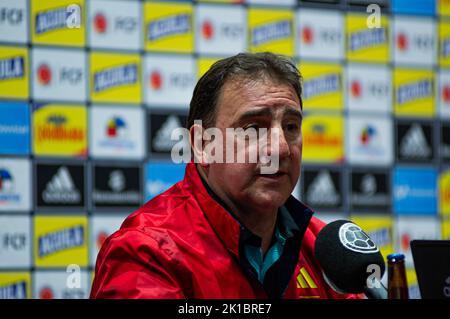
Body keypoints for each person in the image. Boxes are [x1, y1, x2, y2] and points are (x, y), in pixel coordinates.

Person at [90, 52, 360, 299]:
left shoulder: (325, 249)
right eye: (254, 128)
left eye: (291, 126)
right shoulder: (147, 251)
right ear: (203, 144)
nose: (280, 148)